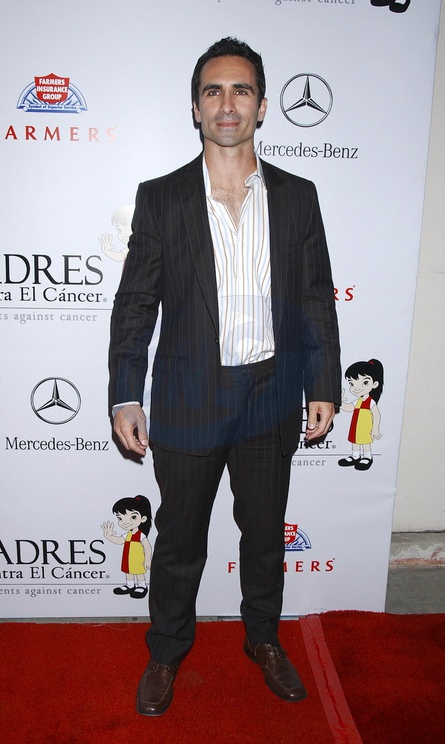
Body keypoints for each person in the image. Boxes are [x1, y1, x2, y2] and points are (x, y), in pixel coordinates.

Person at [109, 37, 341, 716]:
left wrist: (324, 384)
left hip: (272, 397)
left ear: (262, 106)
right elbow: (135, 303)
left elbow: (315, 297)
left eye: (242, 90)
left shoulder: (298, 197)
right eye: (214, 91)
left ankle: (264, 639)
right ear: (196, 107)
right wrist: (126, 393)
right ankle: (166, 651)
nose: (228, 103)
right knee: (180, 540)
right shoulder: (161, 198)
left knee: (264, 537)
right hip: (188, 399)